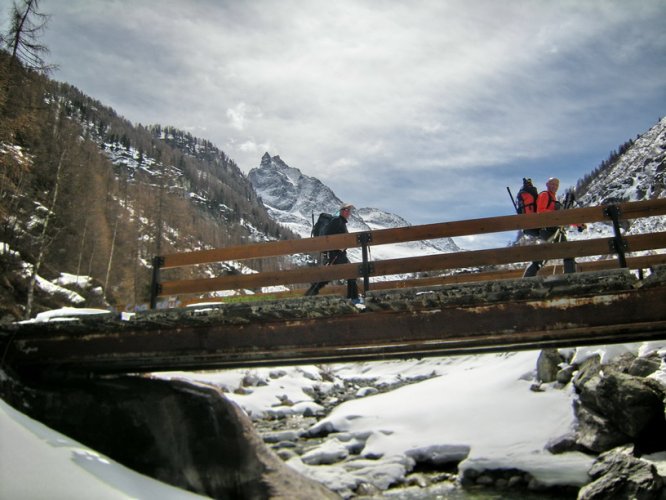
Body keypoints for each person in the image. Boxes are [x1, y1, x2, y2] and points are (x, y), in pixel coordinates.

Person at [304, 203, 361, 302]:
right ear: (342, 211)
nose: (349, 213)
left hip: (337, 255)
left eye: (349, 211)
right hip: (336, 255)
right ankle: (354, 299)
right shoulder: (337, 221)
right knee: (351, 273)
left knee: (327, 277)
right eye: (347, 210)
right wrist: (338, 247)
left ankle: (309, 295)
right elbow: (327, 236)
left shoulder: (341, 222)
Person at [523, 177, 578, 277]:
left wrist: (578, 225)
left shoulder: (553, 198)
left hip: (554, 231)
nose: (554, 186)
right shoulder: (544, 195)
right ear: (547, 185)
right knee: (563, 252)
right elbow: (540, 211)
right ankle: (570, 277)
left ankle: (527, 278)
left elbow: (562, 217)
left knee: (559, 253)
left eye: (556, 184)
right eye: (552, 184)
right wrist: (556, 213)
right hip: (548, 231)